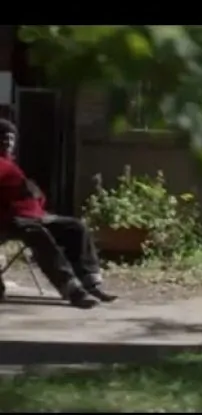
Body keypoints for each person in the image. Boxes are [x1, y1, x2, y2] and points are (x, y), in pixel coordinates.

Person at [0, 118, 118, 308]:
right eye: (3, 137)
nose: (7, 142)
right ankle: (71, 288)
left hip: (35, 215)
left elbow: (35, 197)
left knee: (75, 227)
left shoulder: (12, 165)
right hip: (9, 219)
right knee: (37, 234)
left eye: (11, 138)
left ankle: (91, 284)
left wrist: (34, 194)